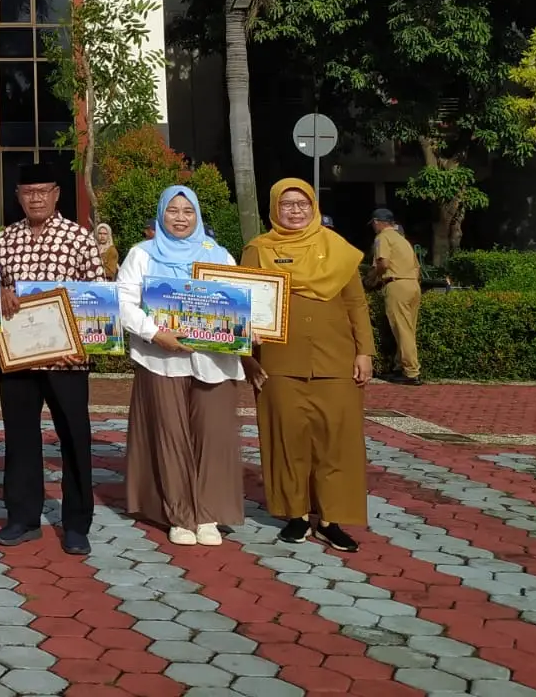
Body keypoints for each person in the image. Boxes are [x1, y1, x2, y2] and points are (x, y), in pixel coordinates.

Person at [243, 179, 373, 553]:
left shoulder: (337, 249)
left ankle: (331, 520)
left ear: (314, 207)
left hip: (336, 361)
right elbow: (240, 304)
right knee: (287, 441)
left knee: (337, 442)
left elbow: (356, 304)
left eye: (302, 203)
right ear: (274, 208)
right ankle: (296, 515)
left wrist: (364, 352)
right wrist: (246, 357)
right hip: (278, 363)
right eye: (287, 204)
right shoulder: (258, 250)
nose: (295, 210)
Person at [116, 186, 244, 546]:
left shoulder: (218, 255)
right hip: (162, 360)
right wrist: (155, 333)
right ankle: (179, 514)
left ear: (198, 216)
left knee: (213, 436)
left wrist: (253, 328)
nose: (180, 218)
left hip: (214, 360)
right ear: (161, 215)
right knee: (169, 436)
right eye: (172, 210)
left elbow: (240, 302)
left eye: (188, 211)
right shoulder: (141, 254)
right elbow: (123, 302)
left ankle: (208, 514)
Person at [0, 160, 102, 555]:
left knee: (74, 437)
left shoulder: (79, 239)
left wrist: (82, 345)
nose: (36, 198)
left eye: (43, 191)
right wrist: (0, 294)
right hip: (19, 359)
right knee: (19, 437)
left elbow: (98, 296)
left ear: (56, 194)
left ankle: (77, 523)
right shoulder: (4, 240)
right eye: (28, 192)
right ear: (18, 197)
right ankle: (23, 517)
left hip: (67, 359)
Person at [367, 208, 422, 386]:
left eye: (374, 224)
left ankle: (411, 372)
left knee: (402, 330)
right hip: (413, 284)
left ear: (377, 222)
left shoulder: (383, 237)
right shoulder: (402, 240)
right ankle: (400, 367)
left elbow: (383, 263)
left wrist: (372, 278)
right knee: (408, 329)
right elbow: (417, 267)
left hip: (396, 284)